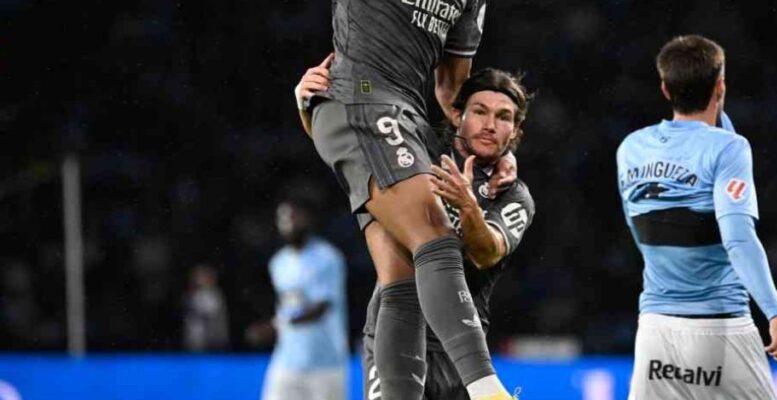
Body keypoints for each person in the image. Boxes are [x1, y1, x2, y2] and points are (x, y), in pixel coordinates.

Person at [279, 0, 516, 399]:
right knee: (433, 234)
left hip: (402, 117)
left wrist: (489, 150)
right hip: (362, 99)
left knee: (401, 279)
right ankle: (486, 390)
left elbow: (451, 91)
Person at [297, 61, 535, 400]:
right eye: (480, 111)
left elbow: (487, 253)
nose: (490, 125)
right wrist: (306, 105)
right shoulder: (417, 153)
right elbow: (352, 152)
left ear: (515, 132)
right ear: (457, 116)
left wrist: (469, 208)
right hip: (395, 325)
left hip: (459, 344)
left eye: (504, 117)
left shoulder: (513, 194)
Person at [616, 35, 777, 399]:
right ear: (721, 86)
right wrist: (776, 314)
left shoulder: (631, 147)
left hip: (656, 328)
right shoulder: (729, 148)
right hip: (720, 325)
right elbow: (737, 238)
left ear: (665, 89)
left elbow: (641, 231)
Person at [247, 200, 350, 400]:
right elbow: (287, 305)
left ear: (307, 219)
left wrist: (276, 325)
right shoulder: (278, 263)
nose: (288, 223)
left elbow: (322, 307)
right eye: (282, 218)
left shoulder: (327, 257)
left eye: (293, 216)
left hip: (325, 361)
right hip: (287, 360)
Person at [182, 264, 230, 352]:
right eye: (195, 277)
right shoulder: (192, 294)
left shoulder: (214, 294)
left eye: (200, 277)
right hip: (194, 340)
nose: (197, 280)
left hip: (212, 341)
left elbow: (210, 313)